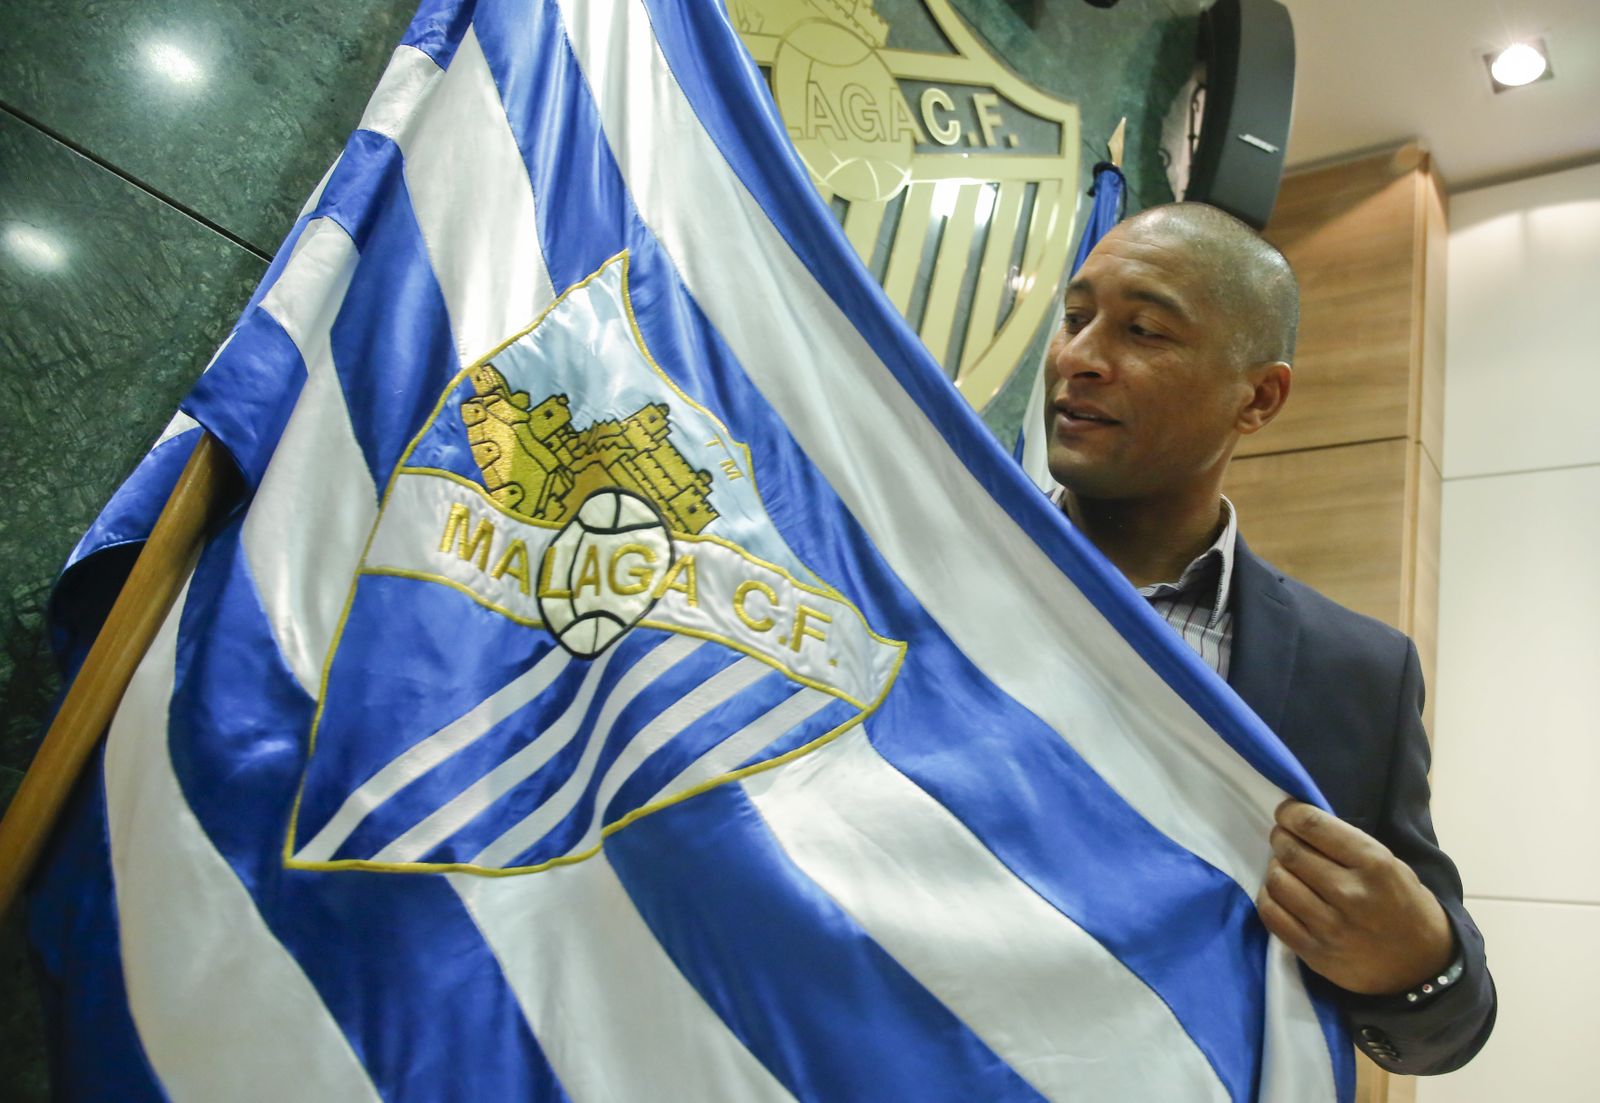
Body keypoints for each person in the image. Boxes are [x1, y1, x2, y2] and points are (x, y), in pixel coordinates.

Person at [1042, 202, 1495, 1074]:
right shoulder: (926, 572)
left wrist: (1414, 956)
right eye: (1074, 318)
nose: (1079, 358)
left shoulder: (1359, 672)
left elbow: (1451, 1027)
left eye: (1141, 329)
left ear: (1258, 397)